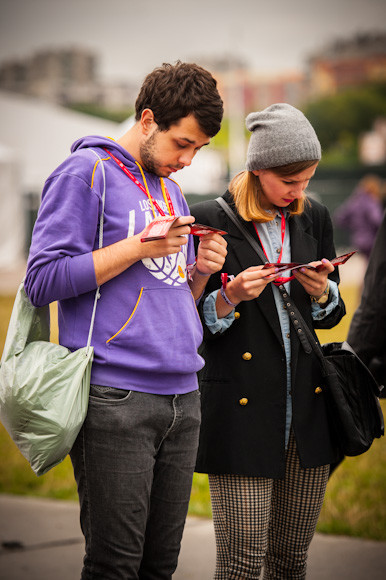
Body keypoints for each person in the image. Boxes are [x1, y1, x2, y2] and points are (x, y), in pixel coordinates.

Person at [24, 61, 227, 579]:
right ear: (147, 119)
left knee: (161, 567)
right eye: (182, 143)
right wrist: (139, 246)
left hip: (184, 396)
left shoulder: (170, 189)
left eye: (198, 150)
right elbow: (42, 281)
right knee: (116, 567)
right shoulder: (84, 173)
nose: (187, 159)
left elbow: (168, 294)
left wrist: (201, 274)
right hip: (117, 399)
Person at [190, 103, 346, 579]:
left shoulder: (313, 216)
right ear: (258, 170)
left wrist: (324, 292)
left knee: (291, 561)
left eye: (307, 180)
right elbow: (185, 325)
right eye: (290, 182)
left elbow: (327, 318)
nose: (300, 192)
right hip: (241, 412)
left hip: (307, 410)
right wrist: (229, 296)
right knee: (240, 565)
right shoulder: (205, 220)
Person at [348, 210, 386, 392]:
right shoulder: (366, 201)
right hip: (367, 241)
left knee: (371, 278)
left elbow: (378, 292)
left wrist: (354, 360)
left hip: (366, 242)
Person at [334, 174, 383, 260]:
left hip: (358, 239)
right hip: (371, 240)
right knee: (374, 264)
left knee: (369, 263)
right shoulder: (371, 201)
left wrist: (353, 225)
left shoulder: (354, 201)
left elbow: (340, 218)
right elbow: (377, 220)